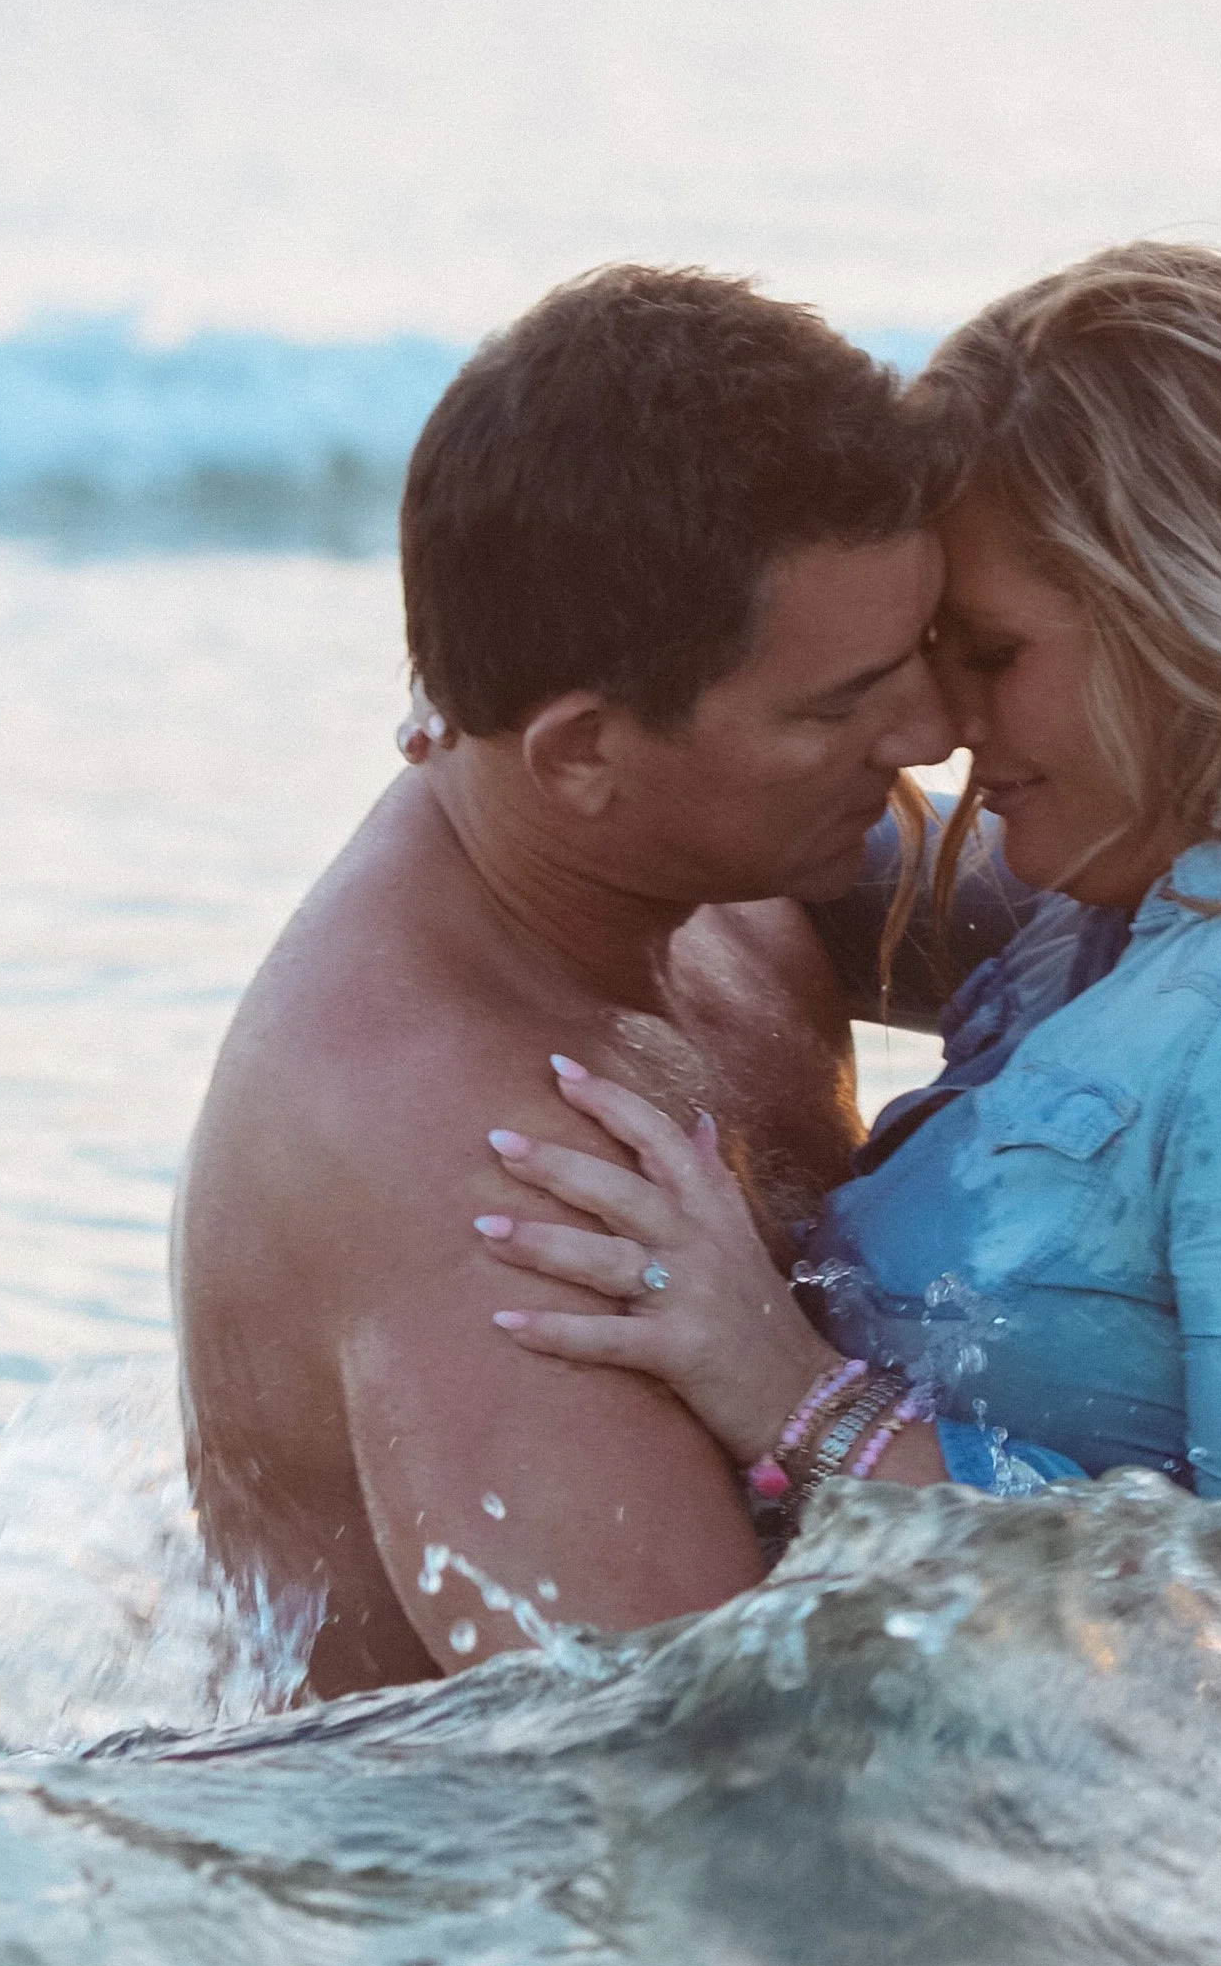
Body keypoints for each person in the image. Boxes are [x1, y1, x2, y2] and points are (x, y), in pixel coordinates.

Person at [479, 243, 1221, 1630]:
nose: (945, 723)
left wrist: (791, 1394)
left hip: (1121, 1841)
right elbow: (763, 826)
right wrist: (511, 700)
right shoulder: (1152, 889)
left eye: (992, 652)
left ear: (1198, 617)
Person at [171, 264, 957, 1696]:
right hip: (455, 1885)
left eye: (927, 653)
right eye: (844, 703)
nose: (934, 729)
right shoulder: (496, 1185)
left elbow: (1169, 889)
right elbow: (707, 1782)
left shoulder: (695, 852)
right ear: (581, 752)